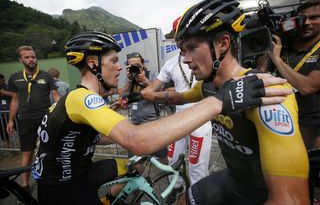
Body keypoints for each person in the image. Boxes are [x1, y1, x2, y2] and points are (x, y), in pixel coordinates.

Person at [31, 31, 291, 205]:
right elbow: (137, 141)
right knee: (136, 158)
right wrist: (221, 101)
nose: (120, 66)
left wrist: (133, 125)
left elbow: (93, 138)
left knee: (134, 168)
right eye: (113, 60)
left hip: (73, 171)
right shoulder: (82, 98)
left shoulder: (80, 99)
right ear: (93, 64)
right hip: (64, 189)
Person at [141, 0, 310, 205]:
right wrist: (146, 94)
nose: (185, 59)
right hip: (233, 179)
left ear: (222, 43)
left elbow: (291, 200)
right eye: (183, 50)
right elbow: (179, 97)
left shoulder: (267, 92)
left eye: (192, 48)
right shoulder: (208, 87)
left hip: (261, 193)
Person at [144, 17, 213, 204]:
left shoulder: (208, 58)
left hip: (201, 118)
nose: (181, 41)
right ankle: (176, 190)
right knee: (172, 159)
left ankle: (200, 198)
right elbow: (152, 89)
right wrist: (144, 86)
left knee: (197, 166)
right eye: (178, 37)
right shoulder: (170, 64)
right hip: (179, 119)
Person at [6, 46, 60, 192]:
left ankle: (53, 181)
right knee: (27, 153)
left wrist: (59, 114)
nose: (31, 59)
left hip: (46, 119)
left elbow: (56, 97)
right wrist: (10, 120)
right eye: (27, 57)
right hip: (25, 120)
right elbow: (15, 100)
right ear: (20, 60)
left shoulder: (46, 76)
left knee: (51, 151)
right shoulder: (15, 77)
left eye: (33, 57)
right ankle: (24, 185)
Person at [268, 0, 320, 150]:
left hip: (310, 125)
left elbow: (308, 87)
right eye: (302, 18)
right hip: (278, 118)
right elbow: (262, 71)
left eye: (314, 18)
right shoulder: (284, 44)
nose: (307, 23)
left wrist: (277, 60)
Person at [123, 52, 167, 162]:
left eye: (137, 65)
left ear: (142, 63)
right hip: (135, 125)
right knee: (134, 161)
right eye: (131, 66)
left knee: (163, 158)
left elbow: (161, 92)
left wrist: (145, 80)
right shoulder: (129, 78)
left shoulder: (151, 74)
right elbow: (123, 95)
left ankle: (169, 177)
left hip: (152, 124)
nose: (135, 68)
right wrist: (129, 80)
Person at [0, 73, 13, 143]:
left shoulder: (7, 87)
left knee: (20, 130)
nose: (2, 82)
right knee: (4, 134)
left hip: (11, 114)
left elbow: (14, 95)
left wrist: (4, 92)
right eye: (0, 81)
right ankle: (9, 148)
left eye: (3, 80)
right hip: (1, 117)